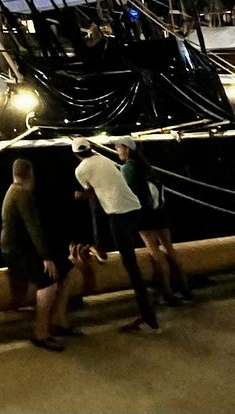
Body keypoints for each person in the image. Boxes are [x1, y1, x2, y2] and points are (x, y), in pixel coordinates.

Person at [72, 137, 160, 332]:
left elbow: (93, 194)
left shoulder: (80, 170)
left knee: (131, 265)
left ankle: (148, 315)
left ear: (77, 154)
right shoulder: (104, 160)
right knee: (132, 262)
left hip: (119, 215)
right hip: (134, 209)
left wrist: (81, 195)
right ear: (91, 148)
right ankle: (100, 246)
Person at [1, 158, 80, 352]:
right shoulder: (22, 194)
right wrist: (46, 257)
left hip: (26, 249)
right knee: (48, 282)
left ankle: (58, 319)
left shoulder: (15, 191)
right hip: (16, 252)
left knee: (68, 270)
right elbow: (33, 227)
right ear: (30, 174)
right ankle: (40, 332)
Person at [111, 136, 192, 303]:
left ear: (126, 148)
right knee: (169, 249)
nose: (117, 150)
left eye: (118, 147)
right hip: (159, 212)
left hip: (144, 215)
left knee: (155, 252)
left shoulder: (127, 168)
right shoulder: (146, 166)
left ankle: (167, 293)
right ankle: (185, 287)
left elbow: (129, 192)